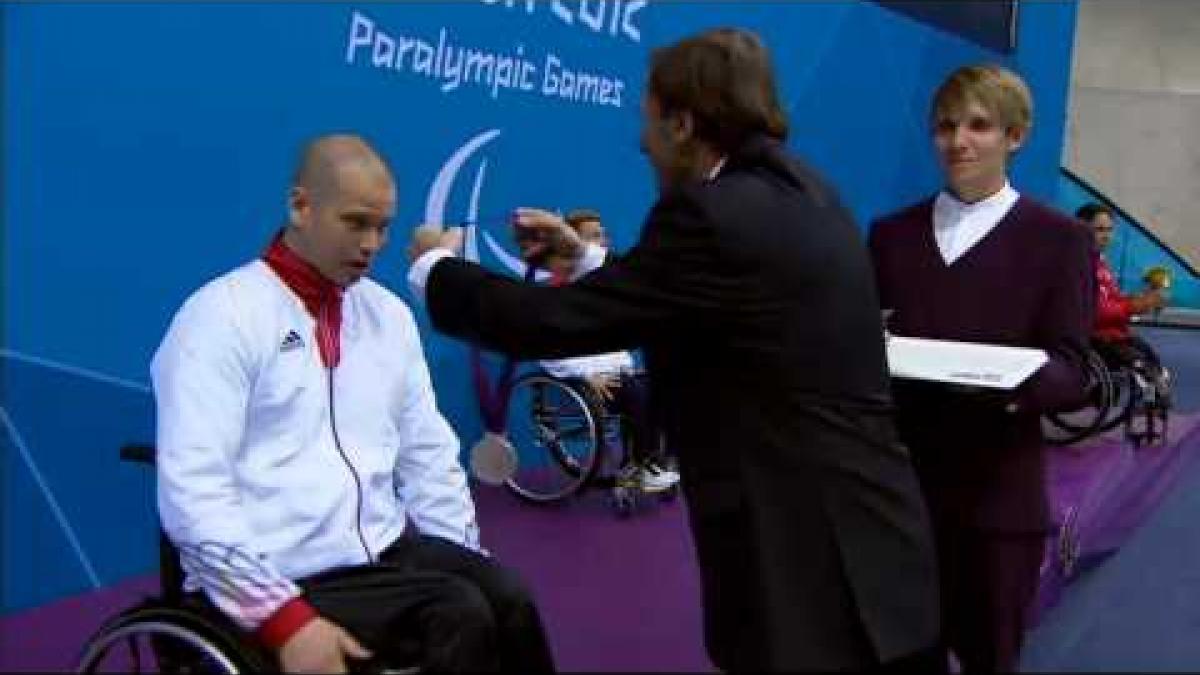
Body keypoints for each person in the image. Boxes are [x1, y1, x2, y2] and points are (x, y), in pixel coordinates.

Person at [409, 28, 940, 673]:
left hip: (801, 566)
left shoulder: (710, 215)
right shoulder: (806, 194)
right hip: (878, 548)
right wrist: (583, 259)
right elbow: (705, 294)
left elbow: (550, 322)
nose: (641, 141)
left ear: (684, 123)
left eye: (649, 120)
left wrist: (436, 269)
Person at [151, 134, 555, 674]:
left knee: (505, 594)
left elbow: (427, 454)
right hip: (279, 572)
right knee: (459, 614)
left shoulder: (387, 316)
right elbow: (193, 491)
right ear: (300, 206)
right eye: (356, 222)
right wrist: (283, 619)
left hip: (378, 560)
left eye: (384, 228)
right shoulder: (220, 317)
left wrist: (464, 556)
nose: (372, 243)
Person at [868, 64, 1096, 672]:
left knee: (990, 660)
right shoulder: (891, 236)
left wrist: (1004, 381)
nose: (958, 141)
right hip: (902, 502)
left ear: (1015, 137)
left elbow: (1074, 369)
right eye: (946, 126)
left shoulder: (1058, 241)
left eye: (978, 126)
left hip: (998, 503)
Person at [539, 209, 678, 491]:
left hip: (616, 377)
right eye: (594, 237)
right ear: (571, 241)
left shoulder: (606, 288)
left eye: (604, 236)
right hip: (582, 384)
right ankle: (642, 465)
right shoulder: (553, 293)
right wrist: (586, 375)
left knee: (660, 383)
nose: (603, 242)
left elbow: (614, 341)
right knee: (634, 389)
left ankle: (651, 460)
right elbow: (546, 349)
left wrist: (624, 365)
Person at [1076, 202, 1167, 373]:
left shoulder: (1099, 262)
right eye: (1100, 229)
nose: (1107, 236)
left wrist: (1141, 300)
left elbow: (1113, 299)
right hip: (1093, 338)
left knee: (1153, 362)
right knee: (1143, 367)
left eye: (1110, 230)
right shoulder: (1077, 264)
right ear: (1080, 230)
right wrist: (1133, 306)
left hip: (1113, 335)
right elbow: (1096, 311)